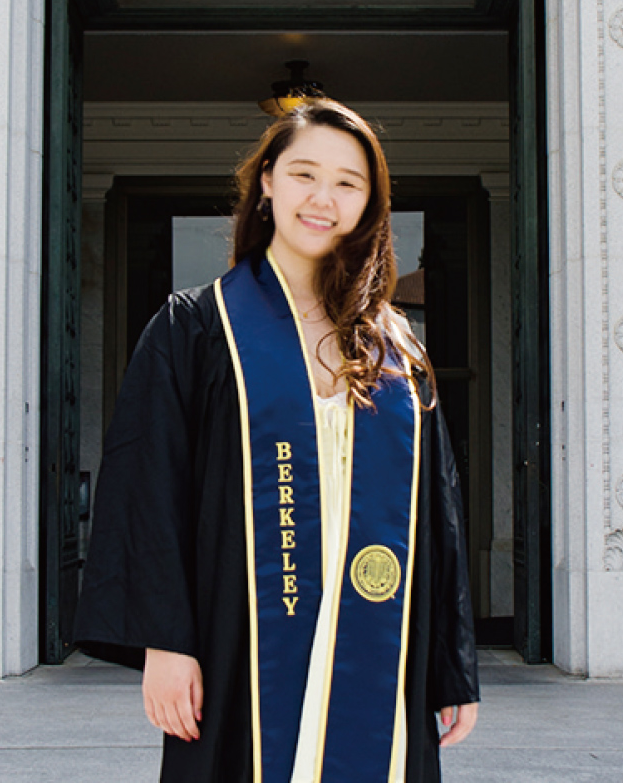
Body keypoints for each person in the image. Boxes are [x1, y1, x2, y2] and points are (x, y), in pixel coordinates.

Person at [74, 99, 479, 782]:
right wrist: (165, 645)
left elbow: (436, 517)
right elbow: (147, 487)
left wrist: (448, 666)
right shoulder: (197, 329)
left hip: (377, 651)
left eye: (349, 183)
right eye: (303, 174)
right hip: (238, 644)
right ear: (266, 182)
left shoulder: (394, 348)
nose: (323, 198)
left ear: (370, 202)